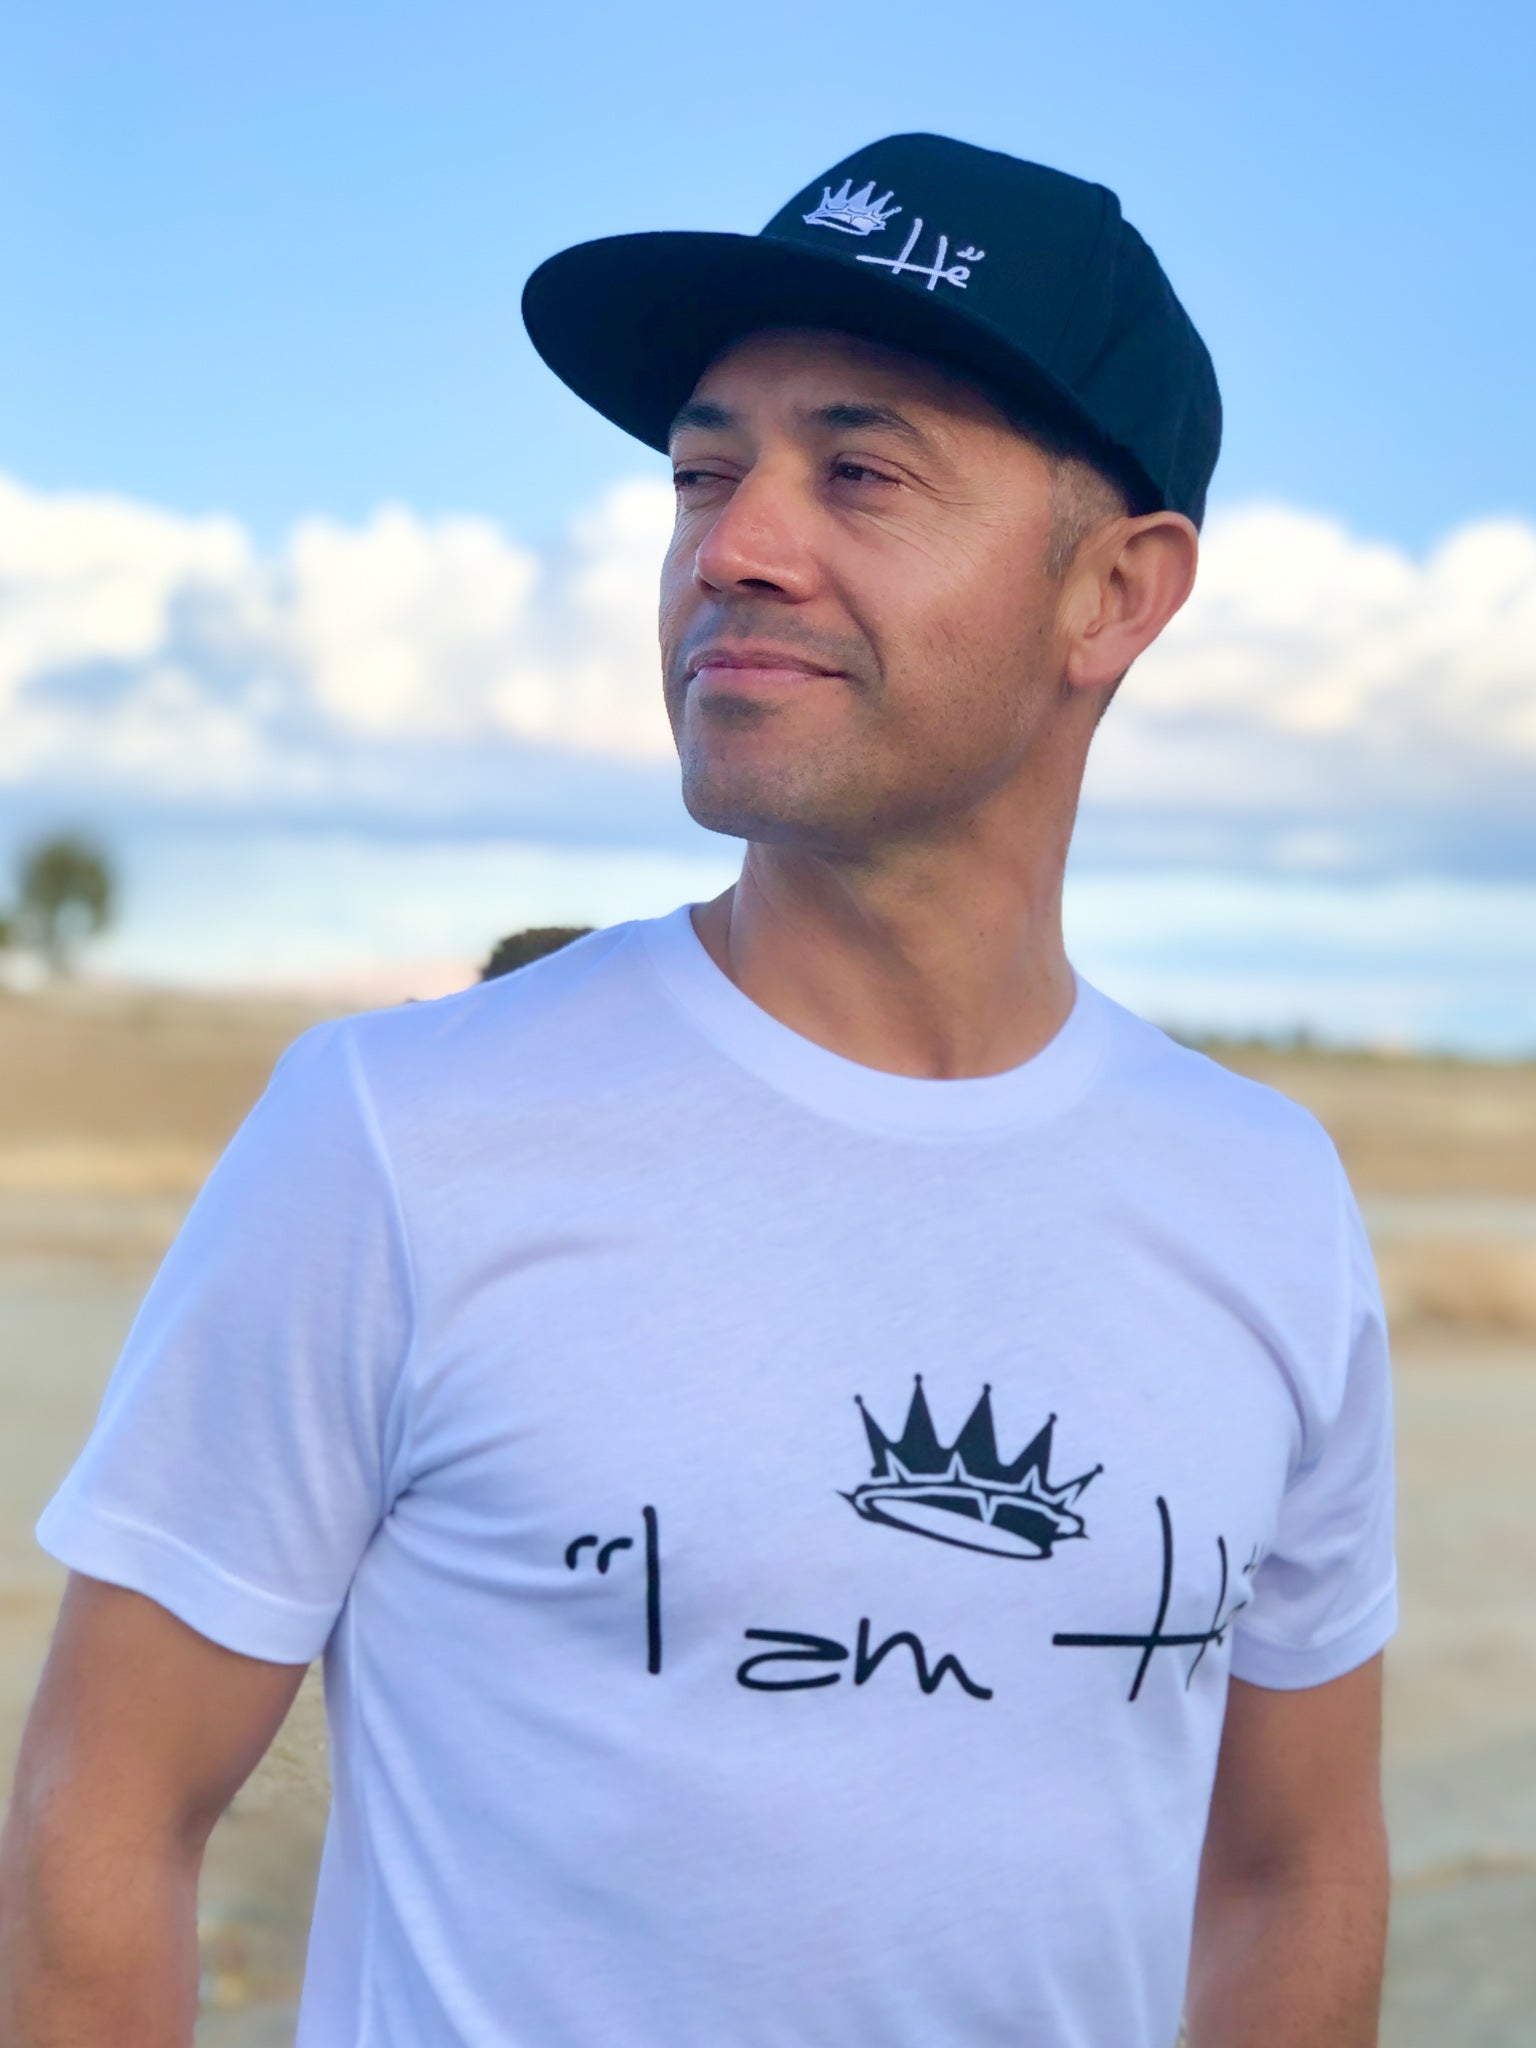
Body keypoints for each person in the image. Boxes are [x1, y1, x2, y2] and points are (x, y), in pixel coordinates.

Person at [0, 133, 1396, 2047]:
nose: (733, 545)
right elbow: (104, 1815)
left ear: (1117, 595)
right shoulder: (398, 1134)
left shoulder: (1269, 1203)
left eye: (861, 471)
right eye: (703, 472)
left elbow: (1294, 1870)